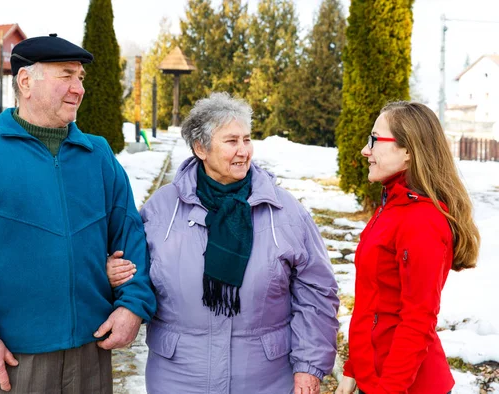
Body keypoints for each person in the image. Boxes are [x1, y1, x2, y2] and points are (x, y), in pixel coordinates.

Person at [0, 34, 156, 394]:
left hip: (90, 354)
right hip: (9, 360)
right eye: (66, 76)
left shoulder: (99, 155)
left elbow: (131, 234)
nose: (78, 88)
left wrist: (132, 307)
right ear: (26, 82)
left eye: (80, 77)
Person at [107, 92, 339, 394]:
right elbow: (137, 270)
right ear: (201, 148)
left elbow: (317, 292)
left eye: (247, 139)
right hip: (178, 376)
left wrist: (309, 367)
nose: (243, 151)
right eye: (231, 141)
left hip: (265, 378)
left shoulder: (283, 210)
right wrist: (117, 272)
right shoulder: (163, 207)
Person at [335, 102, 480, 394]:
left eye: (375, 140)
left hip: (405, 385)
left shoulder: (422, 221)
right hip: (374, 376)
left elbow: (418, 321)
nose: (366, 150)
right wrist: (354, 369)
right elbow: (371, 303)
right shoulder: (391, 206)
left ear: (408, 151)